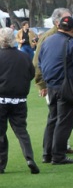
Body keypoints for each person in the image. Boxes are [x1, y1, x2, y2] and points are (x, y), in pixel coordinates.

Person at [38, 16, 73, 165]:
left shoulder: (47, 40)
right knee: (64, 121)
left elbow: (40, 62)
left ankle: (47, 154)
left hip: (51, 85)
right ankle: (58, 155)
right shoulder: (72, 43)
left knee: (52, 119)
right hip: (66, 86)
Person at [0, 27, 39, 174]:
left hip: (1, 100)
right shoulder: (24, 57)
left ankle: (1, 164)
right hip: (19, 100)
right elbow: (30, 74)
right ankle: (29, 158)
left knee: (1, 134)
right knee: (21, 131)